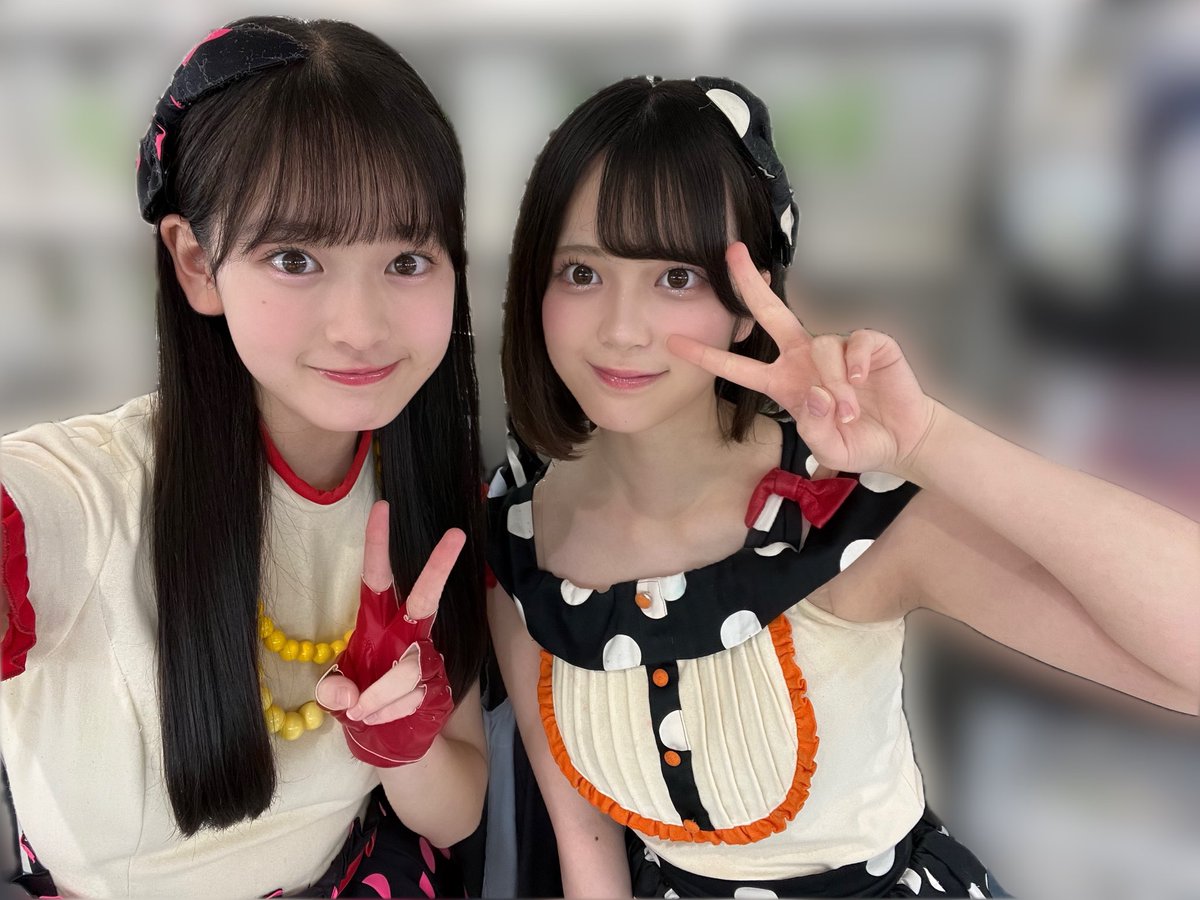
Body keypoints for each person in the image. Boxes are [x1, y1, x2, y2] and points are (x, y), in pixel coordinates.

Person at [486, 75, 1199, 898]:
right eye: (581, 273)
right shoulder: (525, 533)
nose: (620, 328)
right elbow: (586, 850)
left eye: (676, 278)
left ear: (748, 304)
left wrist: (929, 441)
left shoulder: (839, 513)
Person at [0, 17, 488, 897]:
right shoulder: (94, 487)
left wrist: (401, 741)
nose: (361, 326)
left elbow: (455, 813)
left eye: (408, 258)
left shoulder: (430, 493)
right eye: (296, 258)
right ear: (196, 263)